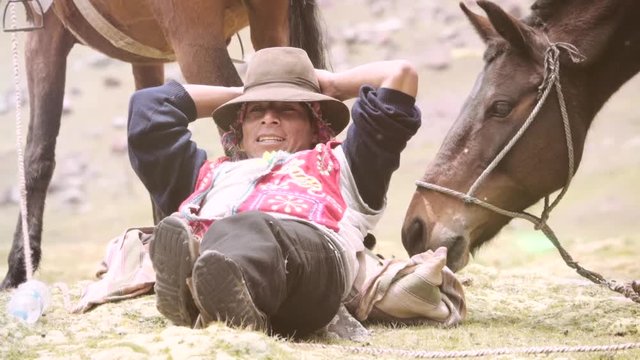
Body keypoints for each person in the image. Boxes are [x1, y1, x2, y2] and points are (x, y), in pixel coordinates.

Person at [127, 47, 464, 337]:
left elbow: (400, 75)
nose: (269, 119)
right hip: (226, 262)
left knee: (246, 227)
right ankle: (216, 297)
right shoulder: (207, 175)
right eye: (256, 111)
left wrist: (329, 85)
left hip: (314, 267)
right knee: (209, 234)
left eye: (287, 109)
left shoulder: (348, 163)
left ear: (316, 124)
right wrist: (246, 89)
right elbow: (148, 107)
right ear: (239, 129)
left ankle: (210, 287)